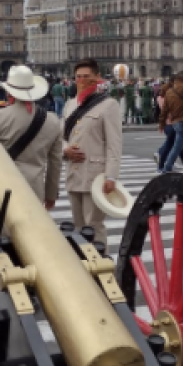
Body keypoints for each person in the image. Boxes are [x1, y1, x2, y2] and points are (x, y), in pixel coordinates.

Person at [0, 65, 63, 228]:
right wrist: (51, 194)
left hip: (0, 186)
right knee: (30, 239)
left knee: (0, 239)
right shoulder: (52, 121)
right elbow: (55, 163)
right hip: (33, 188)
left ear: (9, 91)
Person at [62, 59, 122, 245]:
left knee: (93, 225)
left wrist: (111, 177)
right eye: (78, 77)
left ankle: (100, 265)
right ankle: (83, 265)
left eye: (86, 77)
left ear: (97, 78)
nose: (81, 81)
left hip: (95, 176)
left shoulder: (109, 105)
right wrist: (65, 150)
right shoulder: (70, 105)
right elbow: (62, 137)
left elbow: (114, 144)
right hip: (74, 172)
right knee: (78, 225)